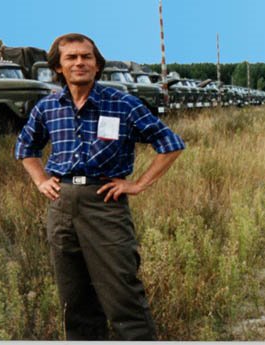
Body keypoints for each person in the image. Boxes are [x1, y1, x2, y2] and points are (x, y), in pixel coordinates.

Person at [14, 33, 184, 340]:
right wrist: (41, 180)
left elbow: (170, 144)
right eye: (71, 58)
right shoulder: (48, 107)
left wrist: (138, 184)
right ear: (58, 67)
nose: (80, 63)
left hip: (105, 205)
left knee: (123, 296)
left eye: (86, 57)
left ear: (97, 64)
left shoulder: (123, 103)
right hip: (62, 206)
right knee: (74, 300)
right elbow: (25, 148)